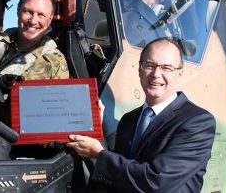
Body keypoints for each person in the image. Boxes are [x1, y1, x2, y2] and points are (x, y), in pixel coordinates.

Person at [67, 38, 216, 192]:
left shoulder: (197, 122)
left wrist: (99, 154)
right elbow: (118, 176)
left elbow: (157, 181)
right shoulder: (129, 120)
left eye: (167, 68)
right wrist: (96, 132)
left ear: (179, 74)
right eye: (150, 65)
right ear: (139, 69)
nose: (156, 74)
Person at [0, 0, 70, 93]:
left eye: (41, 15)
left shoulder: (55, 62)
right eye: (28, 12)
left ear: (50, 19)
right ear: (18, 11)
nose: (33, 21)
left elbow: (57, 103)